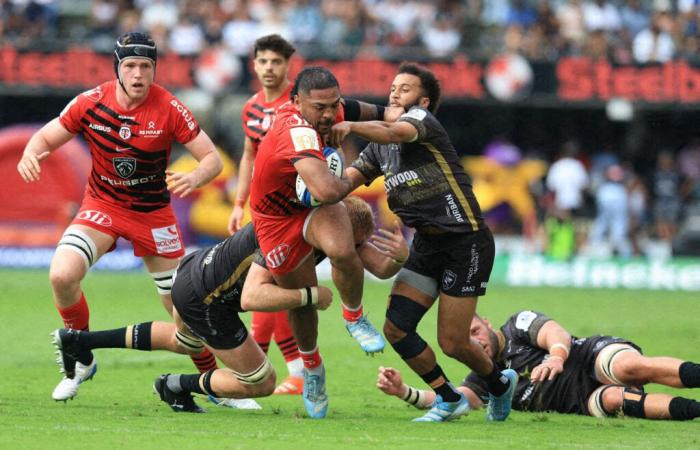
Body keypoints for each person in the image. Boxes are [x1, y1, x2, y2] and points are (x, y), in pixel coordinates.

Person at [52, 197, 408, 413]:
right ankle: (175, 385)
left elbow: (369, 265)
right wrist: (312, 296)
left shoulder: (312, 224)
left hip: (196, 269)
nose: (351, 254)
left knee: (183, 341)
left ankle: (81, 341)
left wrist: (398, 259)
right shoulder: (290, 240)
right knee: (260, 381)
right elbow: (253, 297)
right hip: (209, 299)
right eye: (353, 245)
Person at [17, 32, 223, 402]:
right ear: (118, 69)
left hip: (153, 215)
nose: (139, 74)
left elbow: (212, 159)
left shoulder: (170, 108)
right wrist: (30, 154)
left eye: (146, 66)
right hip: (102, 207)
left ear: (155, 69)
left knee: (183, 314)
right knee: (61, 275)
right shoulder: (90, 102)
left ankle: (214, 384)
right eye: (130, 65)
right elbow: (44, 138)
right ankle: (80, 356)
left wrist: (195, 176)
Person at [329, 62, 517, 423]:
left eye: (406, 87)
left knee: (453, 342)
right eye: (393, 87)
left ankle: (497, 384)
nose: (395, 92)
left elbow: (394, 132)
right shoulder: (379, 148)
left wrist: (350, 124)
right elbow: (341, 186)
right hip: (427, 246)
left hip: (467, 243)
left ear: (424, 100)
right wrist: (311, 187)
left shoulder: (421, 123)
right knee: (396, 327)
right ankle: (448, 399)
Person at [248, 67, 386, 418]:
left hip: (314, 207)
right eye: (319, 108)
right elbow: (326, 190)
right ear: (297, 102)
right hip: (276, 219)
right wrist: (355, 174)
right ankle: (312, 368)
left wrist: (391, 113)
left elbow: (359, 109)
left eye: (332, 105)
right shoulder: (296, 129)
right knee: (302, 300)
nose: (327, 115)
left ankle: (354, 317)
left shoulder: (331, 110)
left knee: (342, 249)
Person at [377, 310, 700, 422]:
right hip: (578, 402)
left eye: (475, 331)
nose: (476, 342)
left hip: (587, 357)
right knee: (618, 400)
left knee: (628, 367)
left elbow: (555, 333)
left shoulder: (518, 324)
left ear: (486, 323)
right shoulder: (483, 377)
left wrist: (557, 356)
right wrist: (404, 391)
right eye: (466, 341)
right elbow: (454, 400)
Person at [228, 33, 305, 396]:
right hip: (262, 212)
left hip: (293, 212)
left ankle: (254, 374)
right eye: (263, 61)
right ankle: (297, 371)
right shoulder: (251, 108)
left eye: (276, 61)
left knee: (260, 289)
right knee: (270, 288)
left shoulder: (300, 103)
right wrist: (238, 203)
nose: (269, 68)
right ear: (254, 65)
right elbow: (249, 156)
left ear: (289, 65)